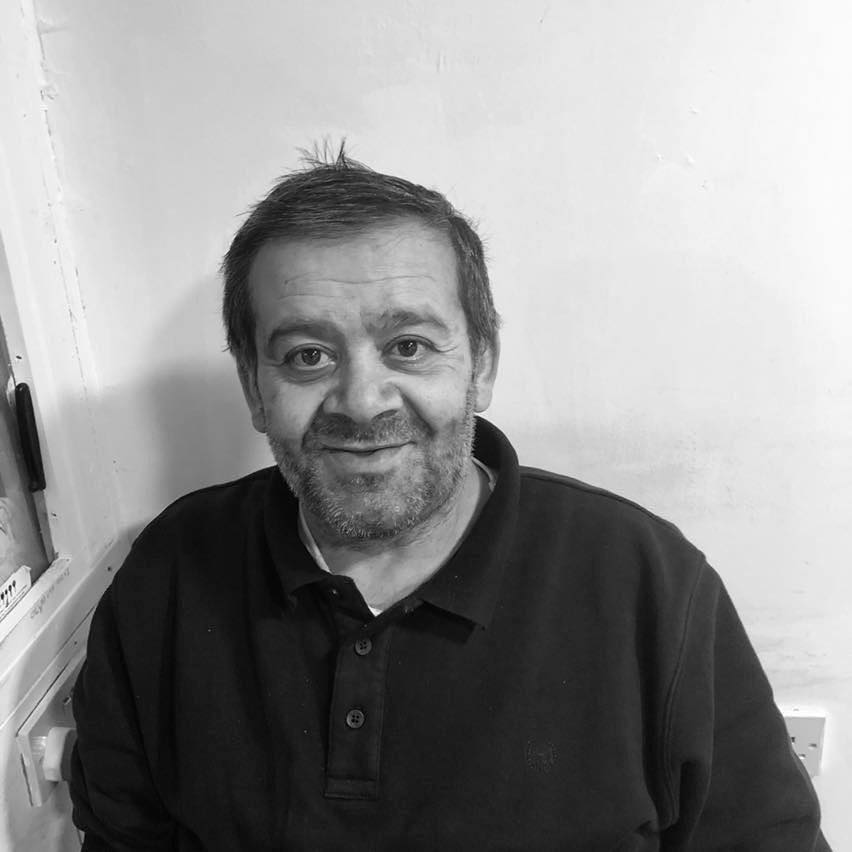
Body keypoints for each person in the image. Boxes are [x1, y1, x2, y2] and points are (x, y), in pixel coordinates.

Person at [70, 146, 831, 851]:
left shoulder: (647, 583)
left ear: (482, 364)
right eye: (308, 356)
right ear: (253, 388)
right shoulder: (169, 576)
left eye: (408, 346)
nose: (363, 400)